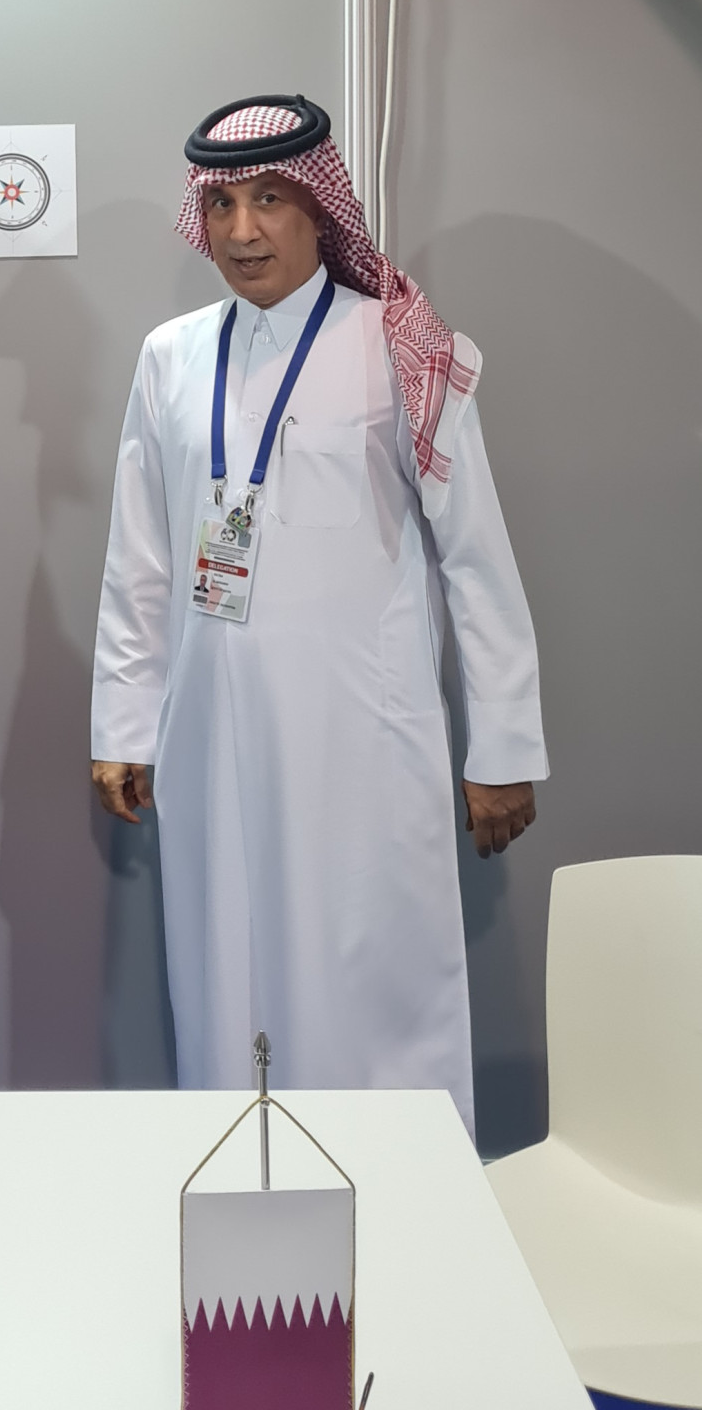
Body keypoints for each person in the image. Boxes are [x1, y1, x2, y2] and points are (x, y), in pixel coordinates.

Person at [90, 96, 545, 1132]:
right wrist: (122, 725)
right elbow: (139, 557)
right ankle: (242, 1193)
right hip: (209, 733)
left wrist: (502, 746)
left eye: (269, 201)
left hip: (362, 737)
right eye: (221, 206)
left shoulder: (397, 344)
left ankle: (398, 1195)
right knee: (221, 968)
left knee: (369, 980)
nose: (242, 231)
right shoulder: (170, 356)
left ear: (320, 210)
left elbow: (474, 555)